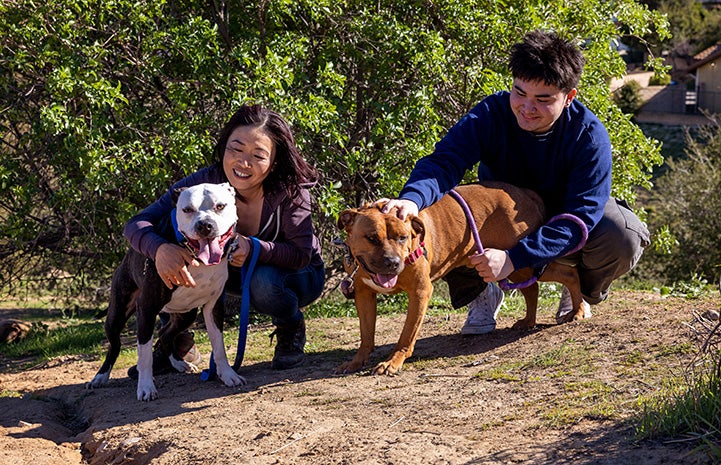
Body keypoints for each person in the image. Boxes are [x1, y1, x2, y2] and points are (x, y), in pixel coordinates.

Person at [379, 30, 650, 335]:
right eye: (519, 93)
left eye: (543, 99)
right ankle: (481, 290)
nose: (527, 107)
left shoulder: (589, 136)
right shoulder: (492, 113)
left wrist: (514, 259)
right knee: (445, 211)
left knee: (622, 233)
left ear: (569, 97)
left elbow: (580, 217)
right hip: (502, 219)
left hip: (562, 216)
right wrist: (412, 199)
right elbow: (445, 160)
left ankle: (579, 289)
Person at [124, 104, 325, 372]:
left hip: (298, 275)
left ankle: (290, 329)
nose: (243, 162)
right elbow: (136, 224)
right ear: (223, 148)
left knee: (263, 280)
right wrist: (160, 250)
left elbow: (301, 255)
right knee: (170, 255)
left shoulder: (292, 191)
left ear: (274, 162)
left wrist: (253, 248)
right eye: (236, 149)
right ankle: (173, 340)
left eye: (258, 155)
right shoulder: (206, 182)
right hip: (229, 274)